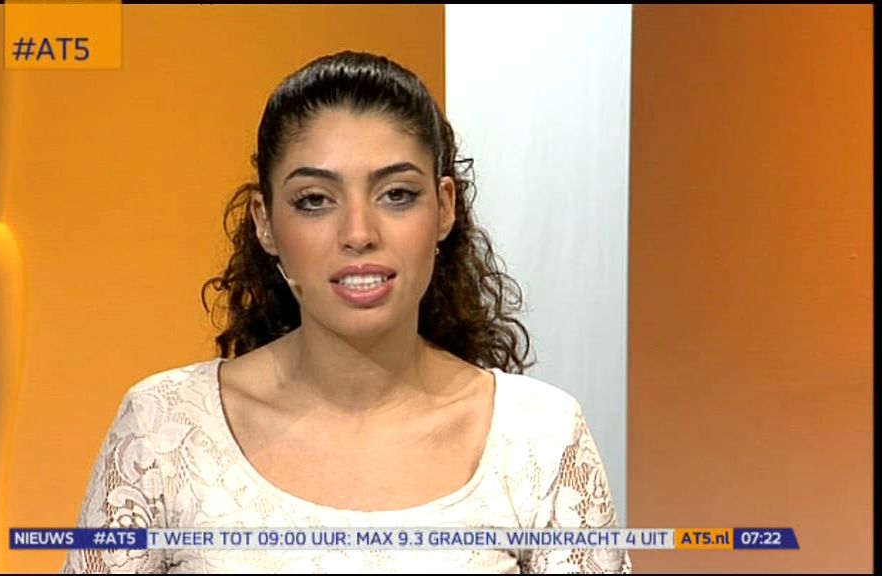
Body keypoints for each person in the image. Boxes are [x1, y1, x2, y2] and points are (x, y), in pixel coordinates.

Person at [63, 50, 631, 574]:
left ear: (444, 208)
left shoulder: (540, 438)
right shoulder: (164, 431)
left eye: (397, 195)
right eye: (315, 200)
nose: (359, 233)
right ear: (265, 223)